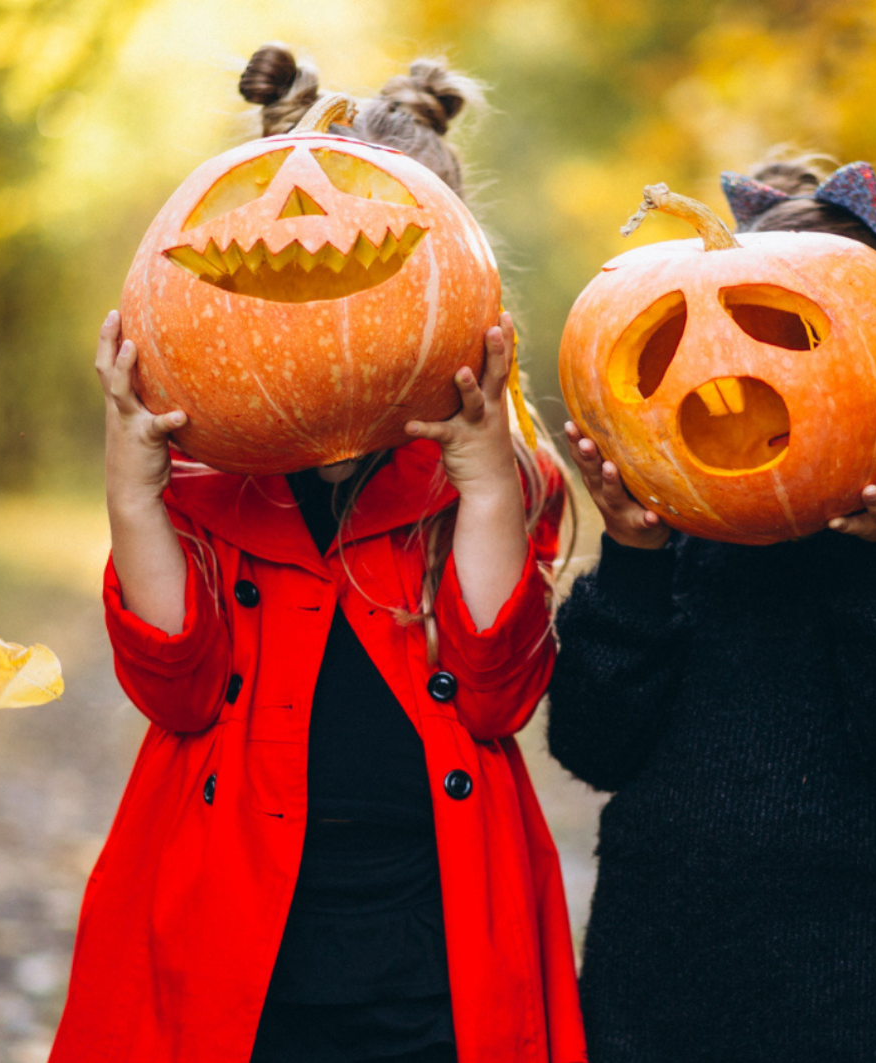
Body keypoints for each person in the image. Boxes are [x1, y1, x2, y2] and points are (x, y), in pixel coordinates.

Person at [49, 45, 584, 1063]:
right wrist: (135, 486)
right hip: (240, 957)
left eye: (373, 277)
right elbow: (178, 686)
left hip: (429, 959)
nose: (335, 320)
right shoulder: (214, 488)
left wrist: (481, 484)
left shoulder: (491, 487)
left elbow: (493, 692)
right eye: (306, 283)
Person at [547, 132, 876, 1062]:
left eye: (794, 342)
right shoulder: (684, 540)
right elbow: (592, 743)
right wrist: (635, 558)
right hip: (646, 1004)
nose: (745, 381)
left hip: (848, 1011)